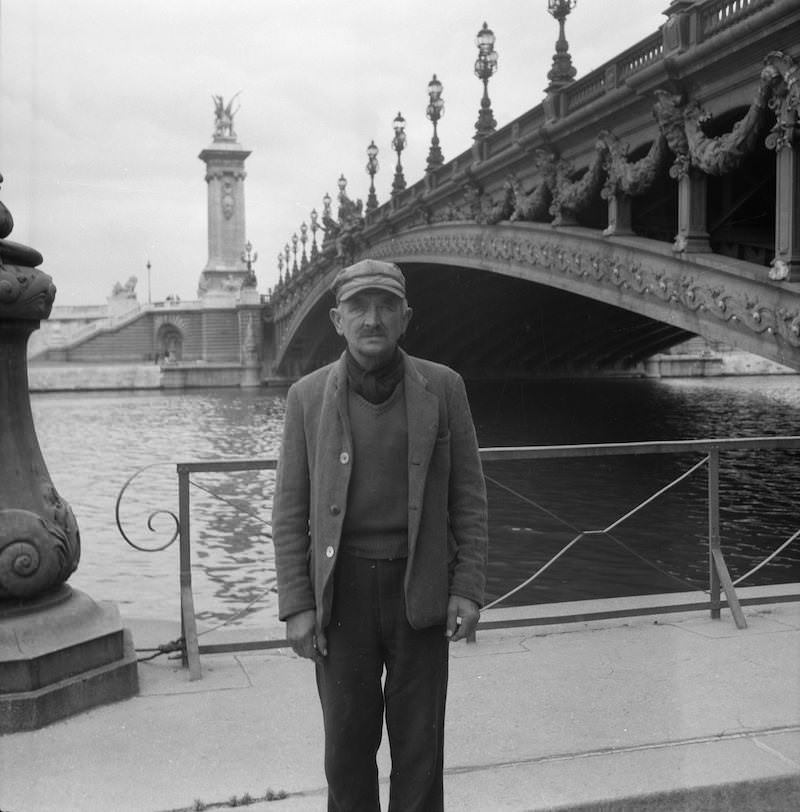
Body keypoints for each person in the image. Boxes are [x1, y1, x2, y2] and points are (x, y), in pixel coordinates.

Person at [272, 258, 488, 811]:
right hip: (340, 597)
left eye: (386, 305)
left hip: (420, 589)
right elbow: (289, 511)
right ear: (336, 319)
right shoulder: (306, 396)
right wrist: (298, 604)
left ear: (406, 316)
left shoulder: (444, 388)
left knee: (420, 748)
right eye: (358, 307)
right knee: (346, 749)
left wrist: (467, 586)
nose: (373, 319)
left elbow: (469, 498)